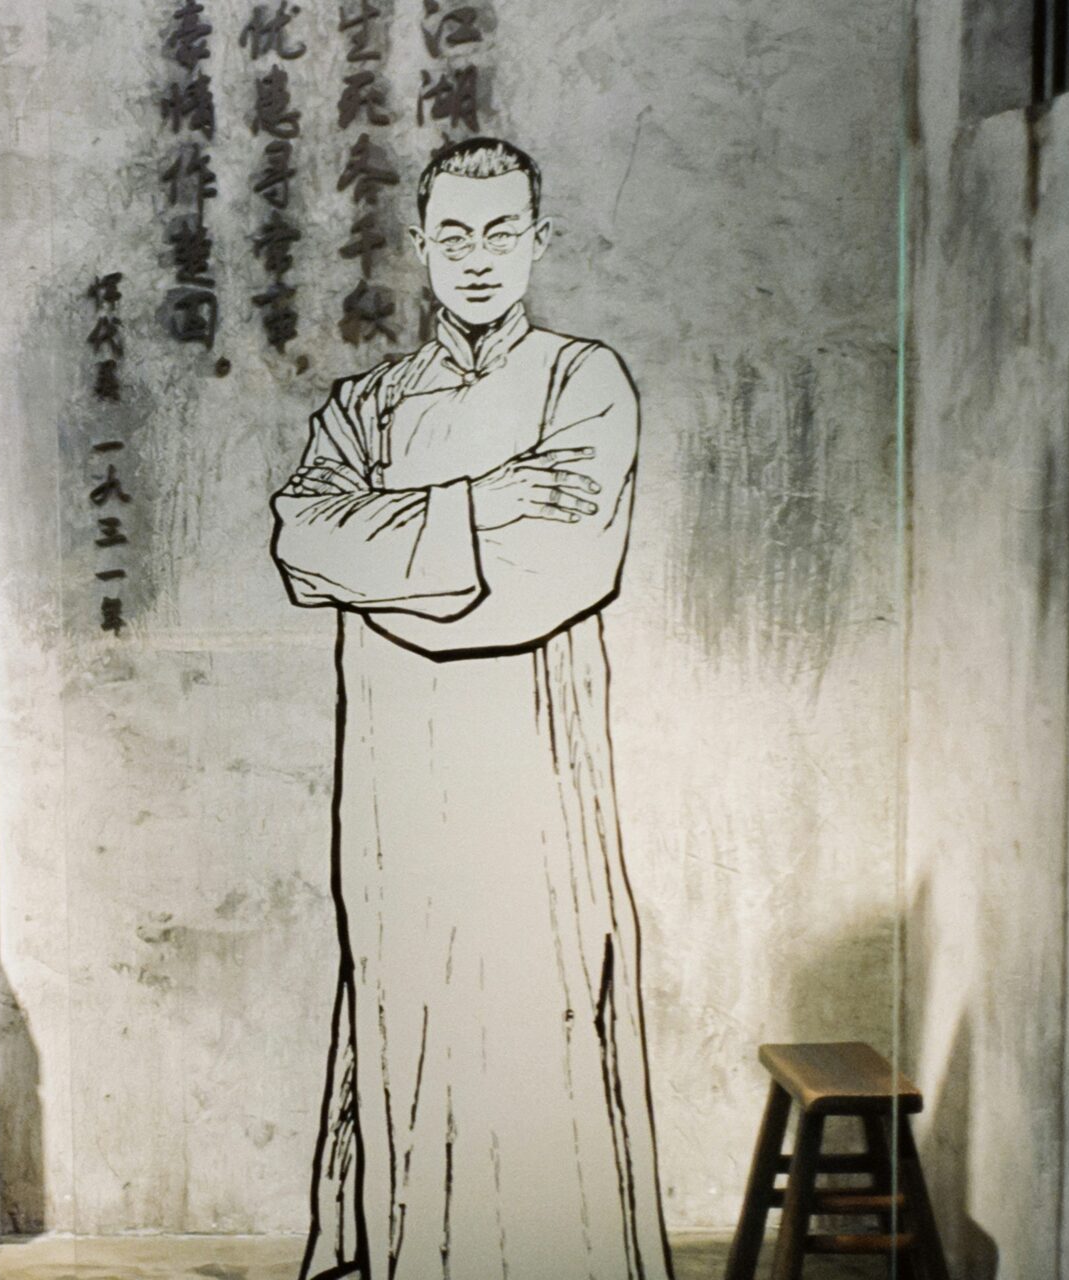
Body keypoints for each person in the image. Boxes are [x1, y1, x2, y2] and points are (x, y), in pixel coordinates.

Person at [269, 137, 669, 1280]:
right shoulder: (368, 402)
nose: (477, 258)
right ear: (421, 246)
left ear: (538, 241)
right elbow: (302, 540)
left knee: (539, 995)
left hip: (528, 760)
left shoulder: (582, 381)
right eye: (453, 235)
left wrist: (387, 557)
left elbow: (559, 569)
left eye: (500, 233)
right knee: (407, 998)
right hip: (395, 766)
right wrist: (482, 504)